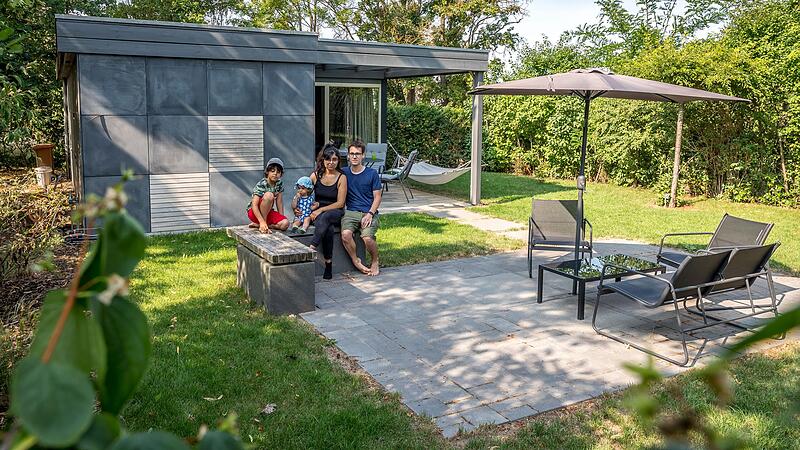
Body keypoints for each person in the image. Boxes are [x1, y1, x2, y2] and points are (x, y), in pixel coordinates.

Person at [341, 140, 382, 276]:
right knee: (345, 235)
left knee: (367, 238)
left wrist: (370, 213)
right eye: (352, 154)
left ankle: (375, 261)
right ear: (348, 155)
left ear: (363, 155)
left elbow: (377, 197)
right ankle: (355, 260)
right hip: (351, 212)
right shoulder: (344, 173)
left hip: (368, 212)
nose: (354, 156)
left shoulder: (372, 174)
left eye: (357, 154)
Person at [308, 144, 347, 279]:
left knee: (326, 217)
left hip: (335, 211)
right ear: (323, 160)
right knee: (328, 229)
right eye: (328, 159)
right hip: (318, 212)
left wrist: (321, 210)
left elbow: (340, 203)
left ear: (338, 161)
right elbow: (304, 193)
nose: (331, 163)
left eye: (334, 159)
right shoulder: (315, 175)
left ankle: (312, 247)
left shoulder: (341, 177)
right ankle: (328, 264)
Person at [247, 157, 290, 233]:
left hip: (268, 212)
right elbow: (254, 205)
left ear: (281, 174)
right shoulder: (262, 184)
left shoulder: (279, 184)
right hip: (254, 212)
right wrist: (262, 221)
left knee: (285, 224)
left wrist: (281, 217)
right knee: (269, 195)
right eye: (272, 171)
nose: (275, 173)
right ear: (267, 172)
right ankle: (263, 224)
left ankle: (262, 225)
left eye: (278, 172)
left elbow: (279, 202)